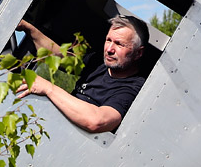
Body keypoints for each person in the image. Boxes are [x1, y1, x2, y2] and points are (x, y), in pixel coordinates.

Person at [15, 15, 148, 133]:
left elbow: (96, 121)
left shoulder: (133, 88)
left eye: (119, 44)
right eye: (108, 40)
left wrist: (48, 88)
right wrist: (29, 29)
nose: (109, 49)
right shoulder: (98, 63)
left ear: (138, 53)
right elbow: (59, 58)